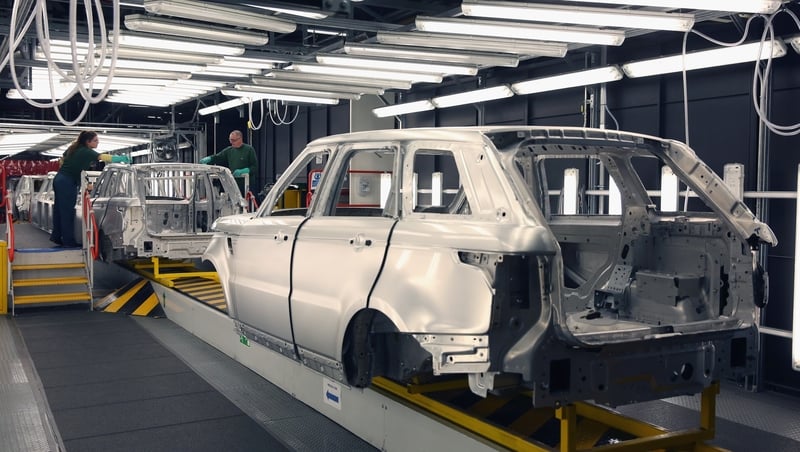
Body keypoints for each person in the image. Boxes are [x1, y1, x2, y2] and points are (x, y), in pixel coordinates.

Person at [50, 131, 129, 247]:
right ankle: (68, 241)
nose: (98, 142)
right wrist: (122, 158)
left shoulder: (75, 148)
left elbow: (63, 157)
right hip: (67, 182)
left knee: (59, 210)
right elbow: (104, 157)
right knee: (67, 212)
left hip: (60, 179)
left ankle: (56, 236)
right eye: (95, 140)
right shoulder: (86, 151)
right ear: (88, 142)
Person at [200, 130, 257, 197]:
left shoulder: (249, 150)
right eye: (230, 140)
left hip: (247, 185)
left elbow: (254, 167)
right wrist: (209, 158)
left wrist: (245, 171)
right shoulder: (229, 150)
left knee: (247, 203)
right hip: (234, 184)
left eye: (233, 140)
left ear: (240, 139)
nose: (231, 142)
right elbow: (218, 157)